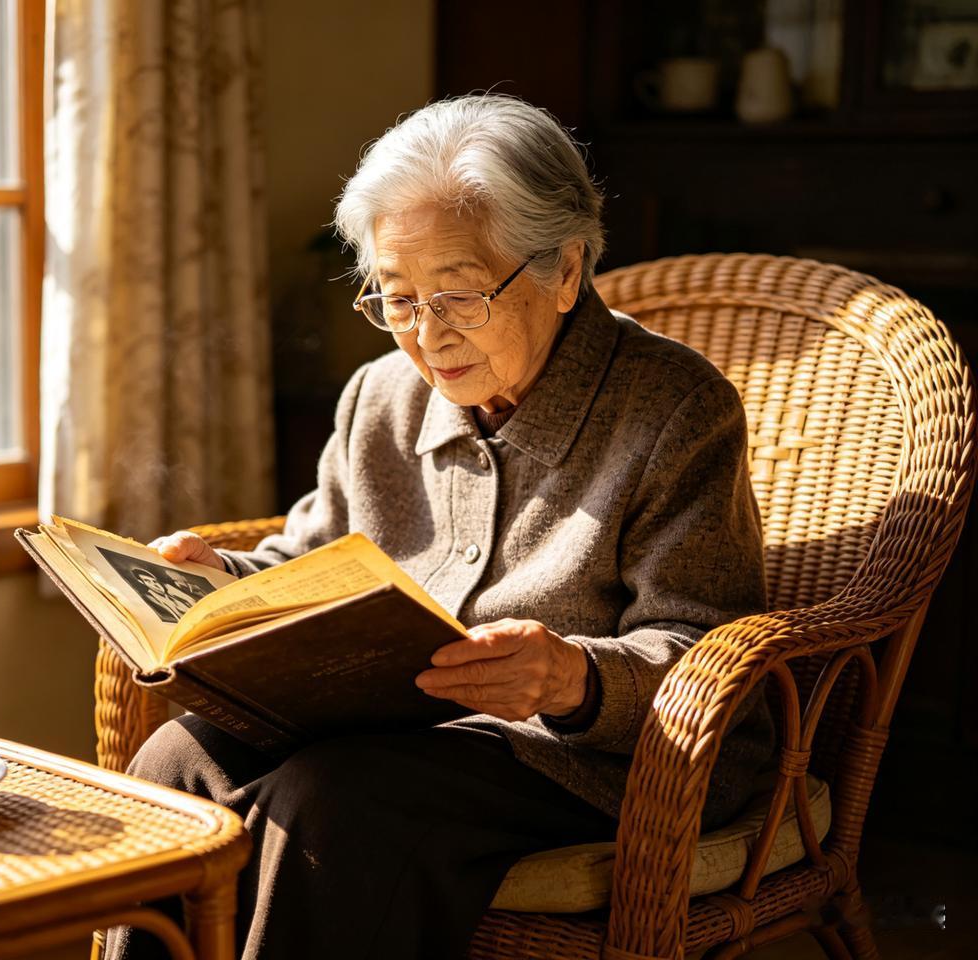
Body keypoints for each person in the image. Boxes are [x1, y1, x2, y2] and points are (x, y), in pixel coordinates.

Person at [106, 93, 773, 960]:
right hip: (397, 736)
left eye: (457, 295)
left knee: (336, 801)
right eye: (397, 298)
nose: (426, 337)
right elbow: (310, 558)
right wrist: (217, 585)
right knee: (173, 762)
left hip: (585, 759)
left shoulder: (675, 409)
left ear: (565, 269)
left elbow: (705, 645)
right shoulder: (379, 397)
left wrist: (570, 675)